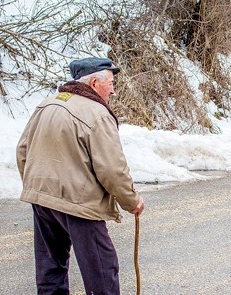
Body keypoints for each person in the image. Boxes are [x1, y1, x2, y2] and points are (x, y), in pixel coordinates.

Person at [16, 57, 145, 295]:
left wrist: (36, 187)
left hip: (43, 201)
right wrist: (132, 201)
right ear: (94, 82)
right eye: (111, 83)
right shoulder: (97, 113)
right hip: (80, 205)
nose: (114, 90)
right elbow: (112, 169)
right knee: (102, 272)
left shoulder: (47, 103)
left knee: (50, 270)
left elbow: (23, 150)